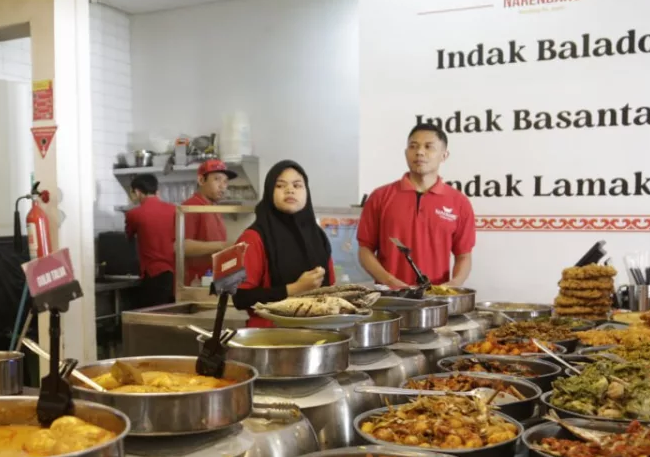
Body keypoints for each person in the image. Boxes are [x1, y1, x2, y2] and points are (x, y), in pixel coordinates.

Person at [357, 124, 475, 288]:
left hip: (436, 299)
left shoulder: (459, 202)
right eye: (413, 146)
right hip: (389, 297)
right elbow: (365, 250)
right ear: (406, 153)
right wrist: (390, 282)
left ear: (444, 155)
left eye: (428, 146)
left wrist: (453, 285)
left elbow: (464, 256)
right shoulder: (380, 197)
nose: (419, 152)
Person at [233, 160, 334, 328]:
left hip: (316, 333)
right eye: (280, 185)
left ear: (307, 192)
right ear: (269, 192)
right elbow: (240, 298)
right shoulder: (253, 238)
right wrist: (294, 289)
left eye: (297, 185)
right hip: (270, 336)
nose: (290, 190)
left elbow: (330, 288)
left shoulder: (318, 236)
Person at [124, 174, 176, 307]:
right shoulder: (174, 209)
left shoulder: (134, 214)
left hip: (153, 273)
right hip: (175, 272)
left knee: (152, 313)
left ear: (137, 192)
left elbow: (128, 238)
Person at [181, 159, 233, 286]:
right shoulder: (191, 206)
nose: (222, 186)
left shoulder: (213, 207)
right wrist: (222, 245)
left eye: (225, 181)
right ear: (201, 180)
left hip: (214, 280)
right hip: (196, 282)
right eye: (217, 179)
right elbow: (182, 246)